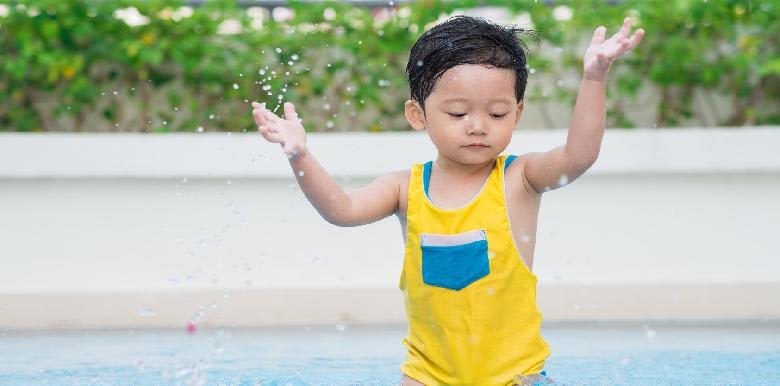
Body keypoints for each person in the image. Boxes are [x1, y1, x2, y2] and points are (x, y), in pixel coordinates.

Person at [251, 14, 644, 386]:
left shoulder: (518, 179)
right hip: (427, 376)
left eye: (496, 113)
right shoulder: (403, 188)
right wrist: (299, 155)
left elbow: (579, 156)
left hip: (516, 377)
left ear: (517, 114)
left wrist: (594, 77)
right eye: (457, 113)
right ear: (417, 115)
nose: (477, 126)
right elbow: (342, 211)